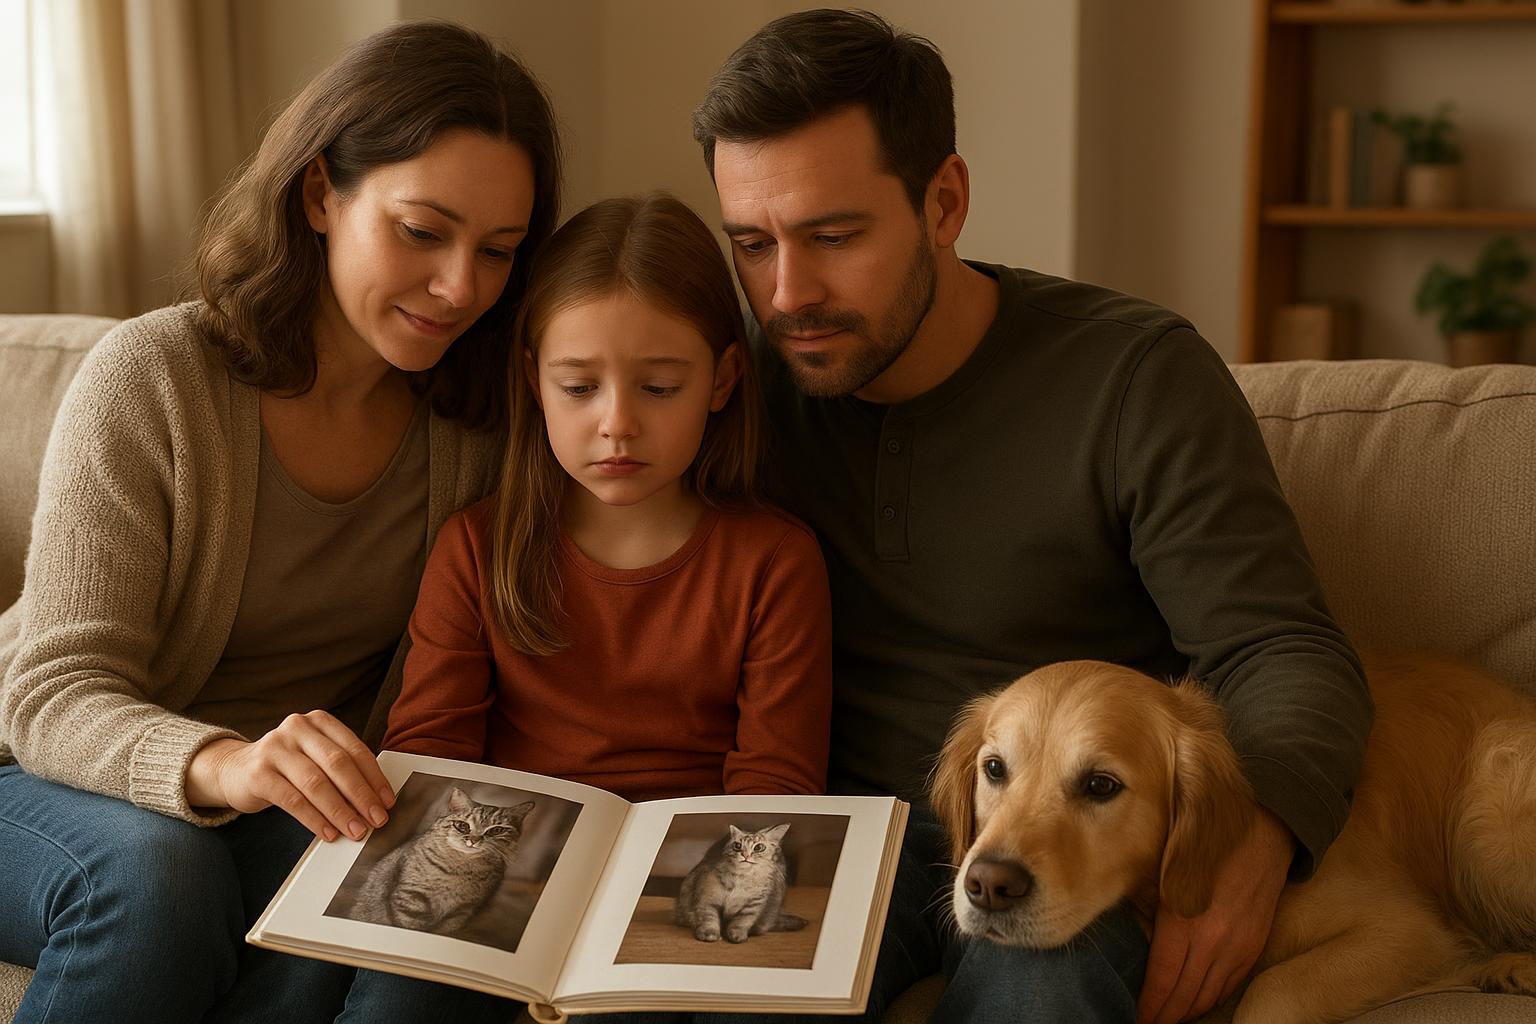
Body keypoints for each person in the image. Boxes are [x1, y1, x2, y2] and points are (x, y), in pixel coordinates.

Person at [687, 10, 1374, 1024]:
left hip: (1058, 839)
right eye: (752, 244)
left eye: (834, 236)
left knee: (1043, 987)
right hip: (818, 839)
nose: (788, 293)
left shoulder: (1134, 378)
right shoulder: (724, 389)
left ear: (944, 202)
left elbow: (1279, 647)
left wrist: (1256, 841)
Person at [0, 20, 560, 1024]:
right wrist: (231, 764)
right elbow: (51, 694)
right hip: (37, 778)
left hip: (281, 807)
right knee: (159, 877)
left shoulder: (478, 426)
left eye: (498, 252)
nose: (459, 287)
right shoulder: (153, 379)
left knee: (367, 892)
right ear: (319, 195)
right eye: (422, 231)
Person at [376, 192, 832, 1022]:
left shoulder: (774, 560)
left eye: (660, 387)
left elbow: (774, 782)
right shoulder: (478, 546)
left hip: (672, 880)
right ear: (533, 381)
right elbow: (429, 752)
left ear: (724, 380)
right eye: (579, 386)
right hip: (500, 870)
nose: (617, 424)